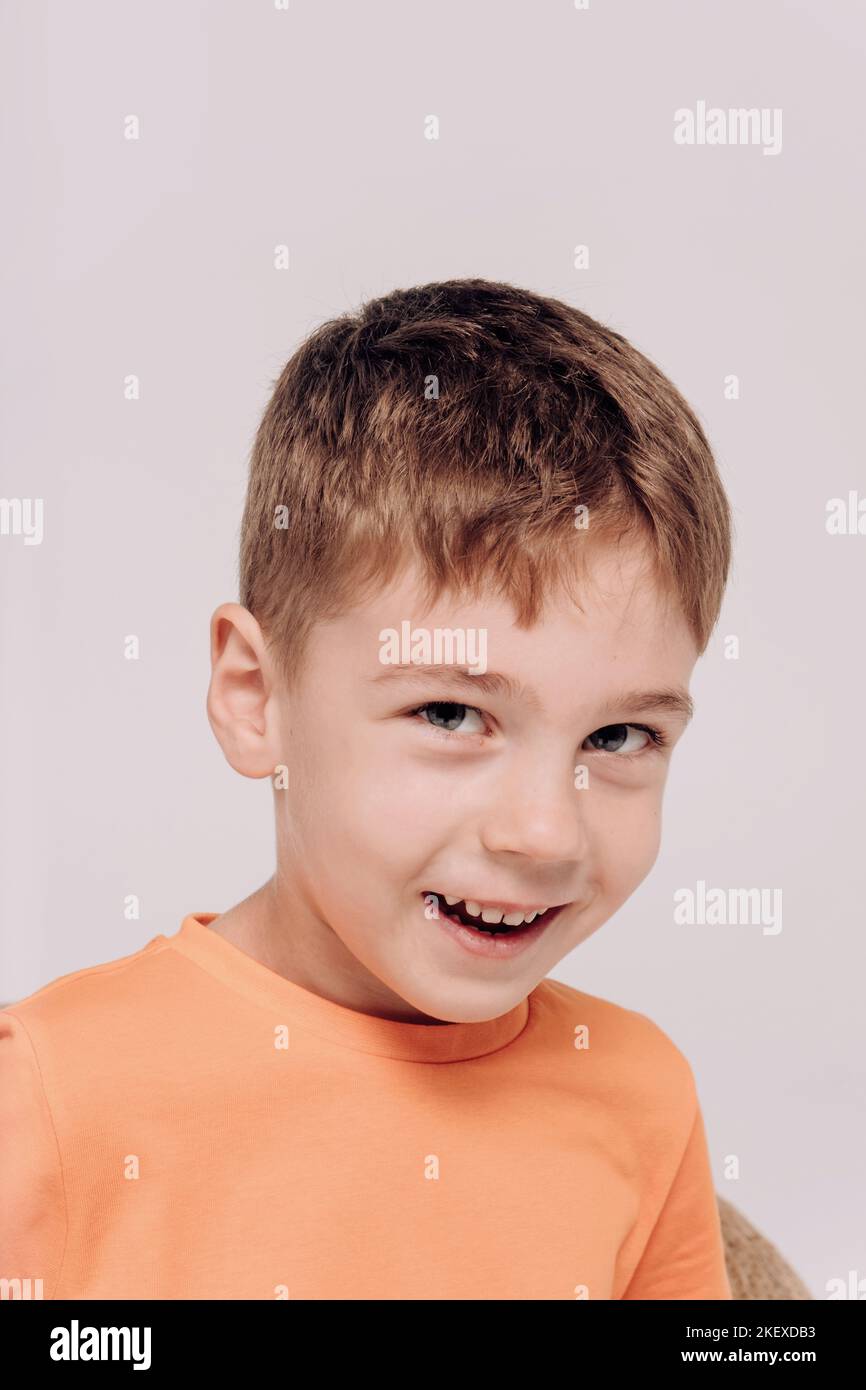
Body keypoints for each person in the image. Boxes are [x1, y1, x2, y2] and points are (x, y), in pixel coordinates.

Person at [0, 278, 733, 1299]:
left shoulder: (638, 1094)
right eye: (449, 714)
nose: (543, 829)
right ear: (256, 699)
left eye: (618, 734)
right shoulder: (48, 1093)